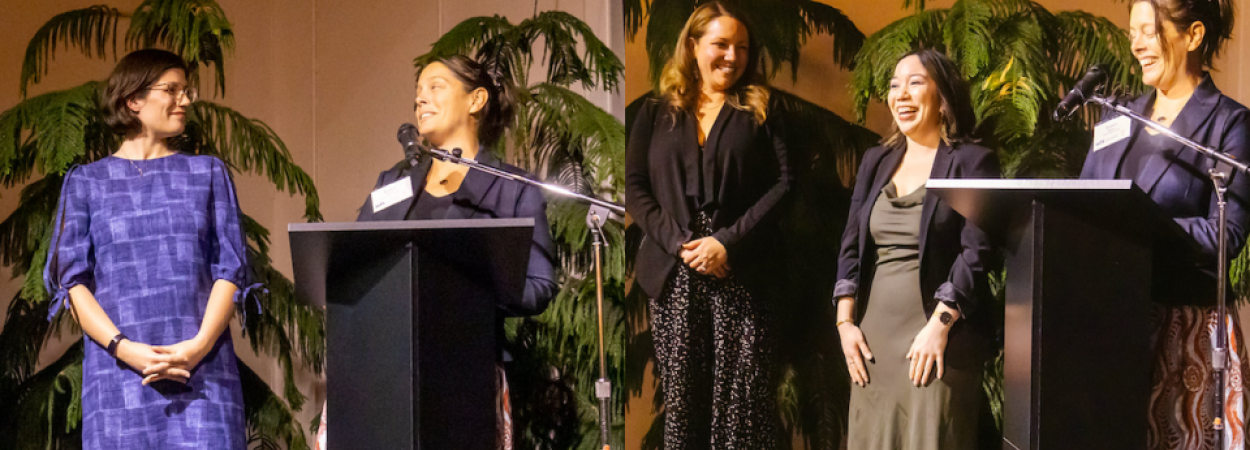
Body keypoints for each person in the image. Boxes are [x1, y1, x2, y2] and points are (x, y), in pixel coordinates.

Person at [43, 49, 252, 449]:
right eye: (172, 90)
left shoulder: (207, 173)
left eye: (186, 91)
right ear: (133, 100)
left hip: (203, 377)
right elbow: (73, 283)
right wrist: (125, 349)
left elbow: (230, 269)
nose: (186, 100)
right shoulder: (87, 183)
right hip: (118, 382)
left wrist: (197, 348)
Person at [352, 54, 558, 450]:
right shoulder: (393, 183)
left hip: (467, 375)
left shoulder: (512, 187)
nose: (421, 101)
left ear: (476, 100)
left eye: (435, 88)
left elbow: (538, 284)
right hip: (385, 371)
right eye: (417, 95)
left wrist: (467, 287)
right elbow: (357, 260)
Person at [1080, 0, 1250, 448]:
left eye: (1149, 31)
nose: (1135, 44)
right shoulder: (1118, 119)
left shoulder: (1230, 124)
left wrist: (1141, 226)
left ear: (1193, 36)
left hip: (1188, 331)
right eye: (1131, 32)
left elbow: (1226, 233)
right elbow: (1082, 207)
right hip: (1114, 324)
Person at [626, 2, 790, 448]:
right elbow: (635, 189)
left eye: (741, 47)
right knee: (683, 405)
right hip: (675, 274)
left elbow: (784, 184)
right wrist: (684, 245)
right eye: (721, 44)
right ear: (693, 45)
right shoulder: (654, 111)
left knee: (743, 407)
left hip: (743, 273)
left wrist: (726, 244)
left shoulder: (761, 108)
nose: (732, 56)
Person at [833, 49, 999, 449]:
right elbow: (851, 245)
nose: (900, 94)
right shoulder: (876, 160)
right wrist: (845, 324)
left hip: (938, 342)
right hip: (874, 345)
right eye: (894, 86)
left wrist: (939, 326)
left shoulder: (973, 162)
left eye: (914, 83)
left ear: (943, 98)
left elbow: (977, 251)